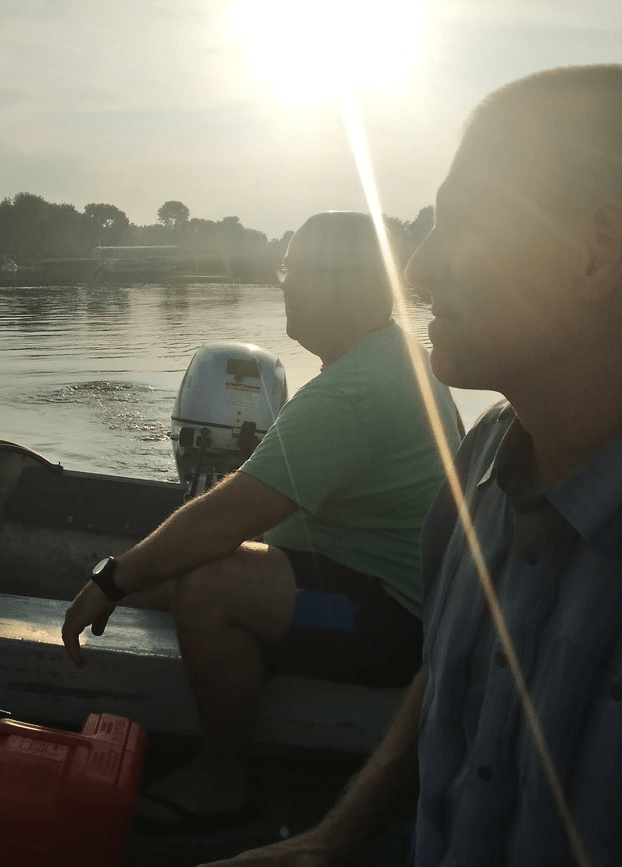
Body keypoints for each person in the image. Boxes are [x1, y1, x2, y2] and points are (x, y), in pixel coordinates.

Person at [200, 64, 622, 867]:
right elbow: (453, 661)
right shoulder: (485, 459)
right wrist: (337, 837)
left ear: (598, 252)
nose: (420, 271)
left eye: (461, 224)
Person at [61, 210, 462, 829]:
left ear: (346, 284)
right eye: (286, 269)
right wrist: (130, 577)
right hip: (353, 584)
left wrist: (112, 578)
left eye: (296, 270)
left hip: (389, 624)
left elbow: (226, 518)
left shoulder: (357, 391)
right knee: (161, 573)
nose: (285, 283)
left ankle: (222, 779)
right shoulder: (388, 356)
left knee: (211, 584)